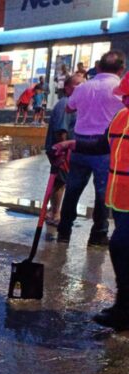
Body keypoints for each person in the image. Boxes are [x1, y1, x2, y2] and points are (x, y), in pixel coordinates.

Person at [54, 72, 129, 331]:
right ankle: (124, 308)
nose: (125, 101)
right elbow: (100, 144)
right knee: (122, 249)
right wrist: (73, 145)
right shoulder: (120, 118)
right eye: (125, 97)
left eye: (128, 97)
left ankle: (124, 309)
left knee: (120, 246)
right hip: (121, 201)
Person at [57, 49, 126, 246]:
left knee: (73, 189)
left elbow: (69, 107)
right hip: (105, 146)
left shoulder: (83, 87)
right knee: (102, 192)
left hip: (79, 144)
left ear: (97, 67)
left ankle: (64, 232)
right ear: (121, 69)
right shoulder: (120, 88)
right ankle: (98, 235)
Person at [44, 74, 84, 225]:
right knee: (60, 182)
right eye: (78, 84)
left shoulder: (72, 103)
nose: (82, 87)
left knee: (60, 182)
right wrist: (63, 152)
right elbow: (61, 131)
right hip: (61, 150)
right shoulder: (65, 104)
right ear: (68, 88)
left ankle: (51, 211)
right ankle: (55, 214)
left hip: (66, 149)